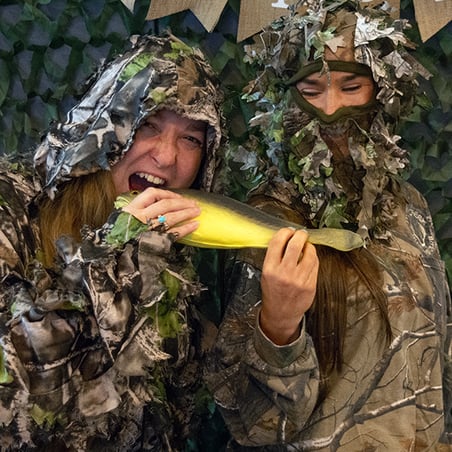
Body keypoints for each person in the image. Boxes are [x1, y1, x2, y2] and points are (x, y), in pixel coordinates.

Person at [206, 0, 452, 450]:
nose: (331, 109)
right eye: (312, 88)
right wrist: (278, 328)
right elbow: (251, 423)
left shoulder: (408, 205)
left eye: (351, 86)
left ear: (380, 91)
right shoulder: (270, 223)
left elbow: (438, 350)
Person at [0, 33, 227, 450]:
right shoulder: (15, 206)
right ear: (104, 123)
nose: (166, 156)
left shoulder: (174, 267)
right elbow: (11, 389)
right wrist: (109, 258)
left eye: (191, 139)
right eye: (147, 124)